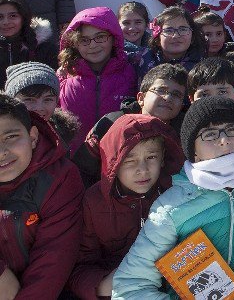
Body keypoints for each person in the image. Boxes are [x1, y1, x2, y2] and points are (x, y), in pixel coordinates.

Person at [112, 96, 234, 299]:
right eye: (209, 134)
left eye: (232, 129)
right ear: (193, 151)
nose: (223, 140)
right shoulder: (172, 208)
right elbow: (130, 286)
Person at [69, 114, 184, 300]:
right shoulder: (94, 202)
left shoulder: (176, 193)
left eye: (151, 157)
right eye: (130, 160)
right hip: (116, 289)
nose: (143, 169)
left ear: (163, 159)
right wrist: (100, 285)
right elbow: (80, 266)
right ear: (113, 162)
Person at [0, 95, 84, 298]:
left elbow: (54, 260)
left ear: (33, 137)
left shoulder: (59, 178)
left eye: (11, 137)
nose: (2, 152)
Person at [73, 63, 189, 187]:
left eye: (176, 94)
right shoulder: (112, 123)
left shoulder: (184, 132)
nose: (168, 97)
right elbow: (82, 169)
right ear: (141, 98)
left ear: (182, 105)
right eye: (161, 90)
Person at [59, 7, 138, 152]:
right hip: (76, 163)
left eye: (100, 37)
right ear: (74, 44)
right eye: (84, 40)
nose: (93, 45)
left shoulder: (133, 73)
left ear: (114, 38)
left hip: (121, 159)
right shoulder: (63, 78)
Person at [131, 6, 206, 78]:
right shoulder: (142, 59)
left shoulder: (202, 68)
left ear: (192, 37)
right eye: (169, 30)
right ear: (157, 39)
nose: (176, 35)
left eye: (183, 29)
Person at [0, 0, 57, 80]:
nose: (5, 22)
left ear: (24, 18)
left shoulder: (46, 50)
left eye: (13, 16)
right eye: (0, 17)